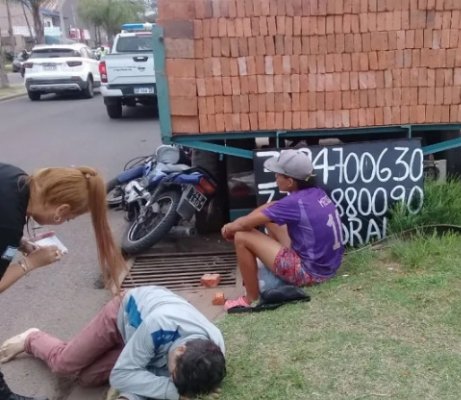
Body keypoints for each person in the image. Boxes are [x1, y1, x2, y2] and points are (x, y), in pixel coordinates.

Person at [0, 163, 126, 400]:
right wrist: (31, 263)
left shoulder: (16, 178)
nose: (65, 221)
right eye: (70, 218)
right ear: (61, 210)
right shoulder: (7, 224)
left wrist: (22, 243)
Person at [0, 286, 226, 400]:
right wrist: (175, 393)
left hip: (138, 339)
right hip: (122, 317)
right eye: (174, 375)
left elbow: (146, 376)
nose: (172, 379)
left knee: (87, 378)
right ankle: (31, 338)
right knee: (63, 365)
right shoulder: (160, 324)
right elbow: (121, 377)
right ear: (181, 350)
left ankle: (121, 353)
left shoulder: (213, 347)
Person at [221, 149, 344, 310]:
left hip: (310, 273)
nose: (275, 177)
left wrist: (229, 228)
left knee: (242, 236)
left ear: (290, 181)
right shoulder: (316, 192)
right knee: (270, 215)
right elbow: (270, 209)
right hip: (328, 267)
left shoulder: (293, 202)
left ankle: (250, 298)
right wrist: (243, 222)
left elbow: (244, 226)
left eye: (278, 174)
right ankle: (271, 262)